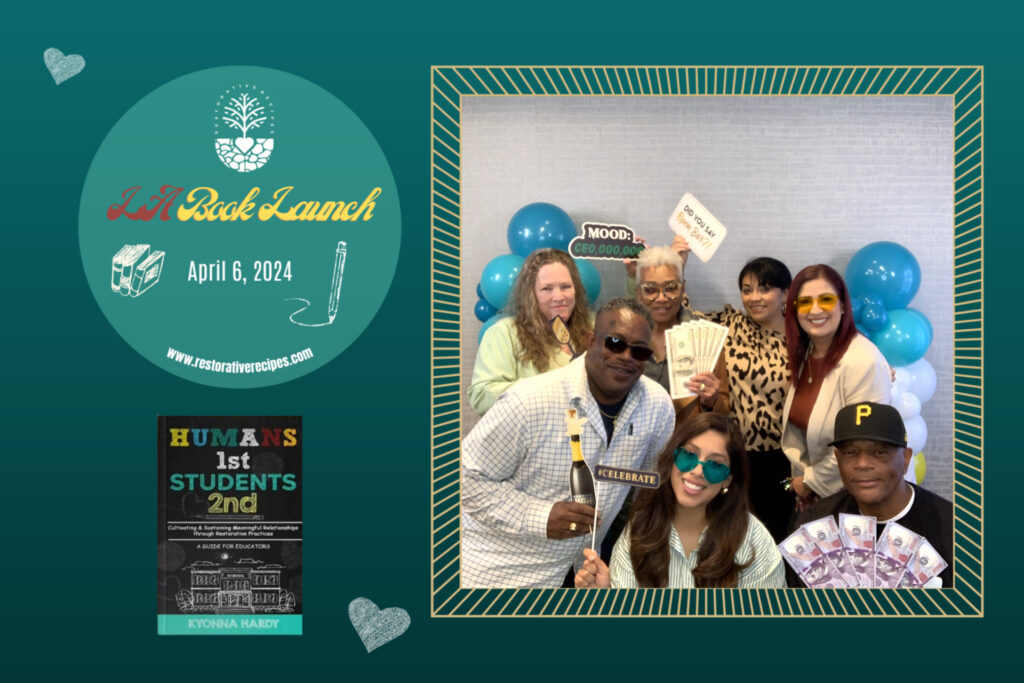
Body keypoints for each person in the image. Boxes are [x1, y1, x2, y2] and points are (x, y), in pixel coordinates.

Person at [461, 298, 675, 588]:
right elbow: (464, 479)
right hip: (501, 569)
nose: (626, 356)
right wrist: (540, 516)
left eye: (638, 351)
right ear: (590, 341)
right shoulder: (529, 401)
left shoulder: (658, 407)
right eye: (614, 343)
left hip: (585, 571)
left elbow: (649, 488)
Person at [635, 236, 793, 541]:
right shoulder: (730, 325)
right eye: (747, 290)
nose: (755, 297)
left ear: (785, 293)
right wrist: (678, 264)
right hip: (728, 450)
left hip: (777, 455)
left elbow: (833, 346)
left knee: (768, 532)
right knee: (718, 527)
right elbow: (673, 306)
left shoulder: (801, 339)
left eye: (765, 288)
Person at [574, 413, 785, 588]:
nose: (697, 470)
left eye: (715, 464)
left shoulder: (753, 541)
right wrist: (606, 597)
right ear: (672, 460)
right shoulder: (641, 528)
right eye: (689, 455)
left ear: (727, 480)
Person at [792, 402, 952, 587]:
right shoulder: (816, 524)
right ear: (837, 458)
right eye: (850, 452)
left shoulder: (953, 528)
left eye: (880, 452)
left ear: (906, 459)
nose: (863, 463)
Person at [781, 264, 890, 508]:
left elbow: (862, 444)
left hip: (856, 499)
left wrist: (809, 482)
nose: (815, 310)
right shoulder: (807, 352)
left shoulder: (862, 360)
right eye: (805, 302)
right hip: (815, 498)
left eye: (826, 300)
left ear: (843, 306)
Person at [469, 248, 593, 415]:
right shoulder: (504, 333)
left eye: (565, 287)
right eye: (547, 289)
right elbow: (482, 396)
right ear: (531, 294)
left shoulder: (593, 326)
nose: (558, 296)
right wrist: (552, 387)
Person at [633, 244, 729, 421]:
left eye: (670, 288)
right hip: (636, 442)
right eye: (650, 289)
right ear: (638, 293)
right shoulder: (626, 338)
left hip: (687, 441)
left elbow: (723, 410)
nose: (661, 298)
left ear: (682, 288)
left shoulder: (705, 338)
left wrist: (712, 400)